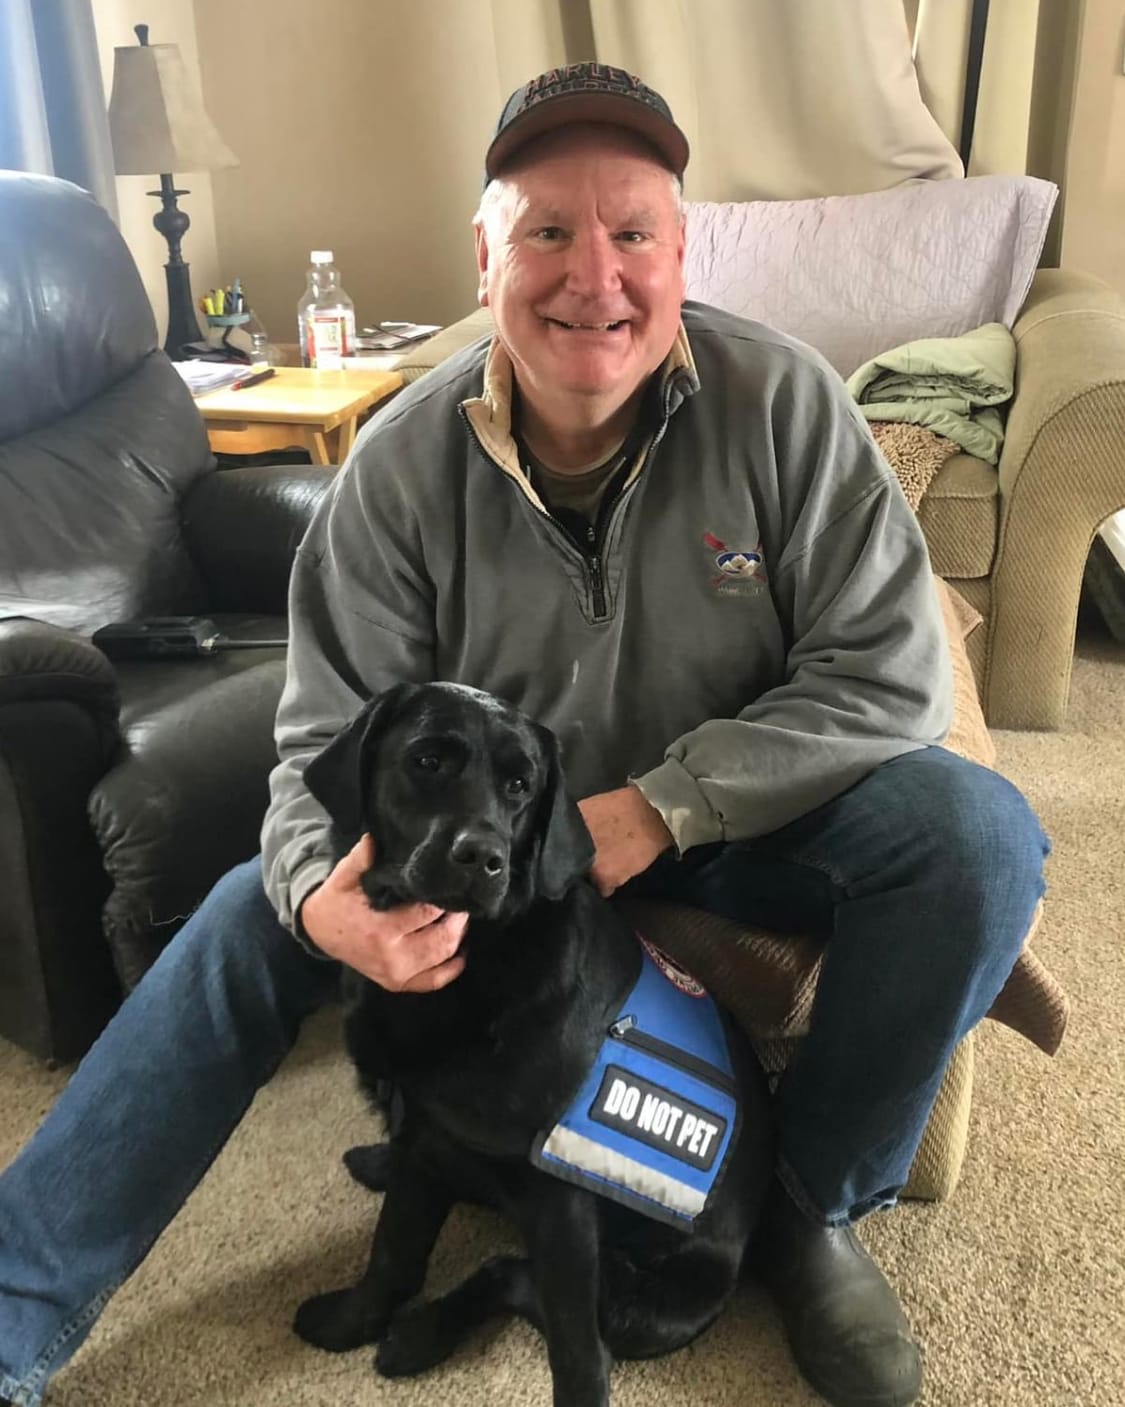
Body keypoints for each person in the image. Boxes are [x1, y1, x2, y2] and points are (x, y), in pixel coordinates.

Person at [0, 64, 1047, 1407]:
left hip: (746, 820)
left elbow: (891, 677)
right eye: (546, 231)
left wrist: (662, 804)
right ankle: (18, 1307)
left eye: (631, 235)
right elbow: (319, 742)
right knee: (236, 928)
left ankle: (808, 1209)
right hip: (497, 856)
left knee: (976, 839)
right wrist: (321, 906)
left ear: (682, 254)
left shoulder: (785, 406)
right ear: (483, 254)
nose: (590, 278)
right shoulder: (391, 473)